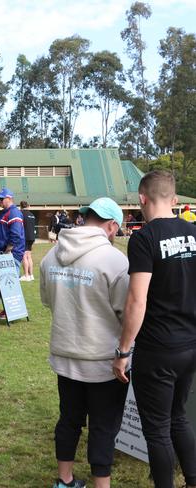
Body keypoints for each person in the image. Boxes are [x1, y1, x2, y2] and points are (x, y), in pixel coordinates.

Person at [112, 170, 196, 488]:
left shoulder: (144, 238)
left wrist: (122, 351)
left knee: (158, 428)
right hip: (190, 344)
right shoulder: (194, 232)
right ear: (174, 201)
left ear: (142, 199)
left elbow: (136, 300)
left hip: (158, 349)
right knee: (178, 417)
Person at [40, 197, 129, 488]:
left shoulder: (51, 255)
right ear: (112, 225)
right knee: (103, 427)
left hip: (65, 356)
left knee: (69, 420)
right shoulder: (115, 260)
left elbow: (46, 300)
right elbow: (125, 312)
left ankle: (64, 480)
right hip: (104, 360)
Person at [0, 188, 25, 268]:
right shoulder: (4, 213)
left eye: (2, 199)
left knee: (9, 280)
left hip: (10, 256)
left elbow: (15, 235)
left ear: (9, 199)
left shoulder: (13, 213)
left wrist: (7, 251)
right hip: (1, 255)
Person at [20, 201, 36, 281]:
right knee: (29, 256)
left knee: (24, 256)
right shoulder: (32, 215)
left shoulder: (21, 214)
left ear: (20, 206)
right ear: (28, 206)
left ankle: (26, 276)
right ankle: (31, 275)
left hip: (24, 237)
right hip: (32, 237)